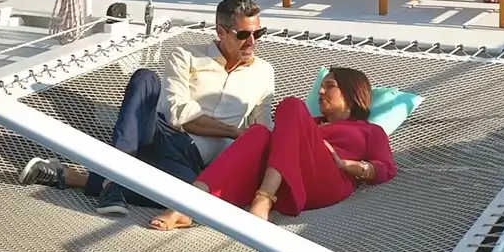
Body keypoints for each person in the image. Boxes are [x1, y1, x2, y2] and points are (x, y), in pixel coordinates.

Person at [17, 0, 276, 216]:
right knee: (145, 79)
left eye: (258, 33)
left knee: (193, 199)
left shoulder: (264, 72)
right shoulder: (185, 55)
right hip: (161, 134)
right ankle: (116, 172)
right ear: (221, 31)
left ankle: (88, 179)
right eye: (244, 35)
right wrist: (234, 132)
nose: (252, 42)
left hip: (193, 161)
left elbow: (263, 127)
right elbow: (180, 116)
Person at [148, 66, 396, 230]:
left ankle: (263, 198)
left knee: (290, 104)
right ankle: (188, 204)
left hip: (328, 181)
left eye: (329, 85)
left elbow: (386, 168)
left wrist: (349, 165)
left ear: (352, 94)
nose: (320, 91)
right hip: (288, 181)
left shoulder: (369, 131)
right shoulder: (309, 124)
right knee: (257, 132)